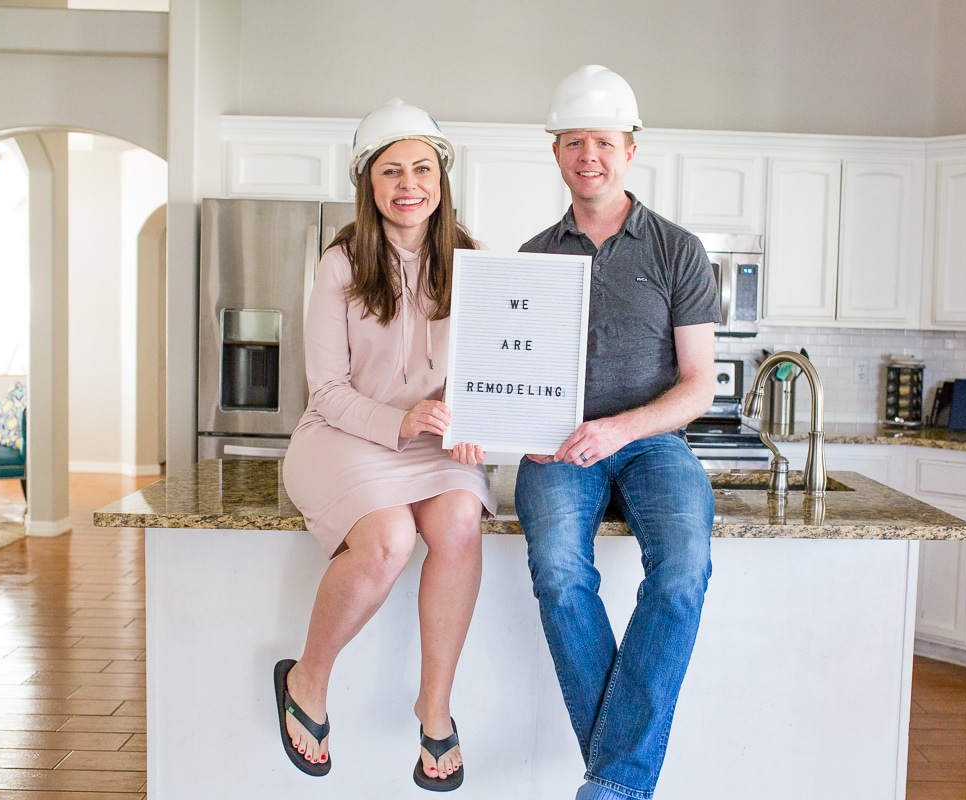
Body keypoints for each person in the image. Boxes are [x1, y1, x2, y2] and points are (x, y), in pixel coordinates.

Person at [275, 98, 496, 792]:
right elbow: (327, 390)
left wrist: (470, 422)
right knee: (389, 540)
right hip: (344, 435)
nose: (409, 184)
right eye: (392, 170)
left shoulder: (472, 261)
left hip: (431, 440)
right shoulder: (340, 264)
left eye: (421, 168)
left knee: (461, 519)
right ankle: (306, 679)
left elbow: (485, 376)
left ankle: (434, 706)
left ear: (441, 178)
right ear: (368, 184)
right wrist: (400, 423)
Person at [514, 66, 720, 800]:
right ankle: (621, 782)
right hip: (557, 445)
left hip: (654, 443)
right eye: (574, 141)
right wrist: (520, 424)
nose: (588, 155)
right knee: (560, 574)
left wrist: (619, 428)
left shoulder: (677, 250)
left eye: (602, 140)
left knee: (684, 566)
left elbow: (698, 384)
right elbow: (513, 366)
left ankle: (612, 783)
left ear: (630, 148)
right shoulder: (534, 257)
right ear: (557, 152)